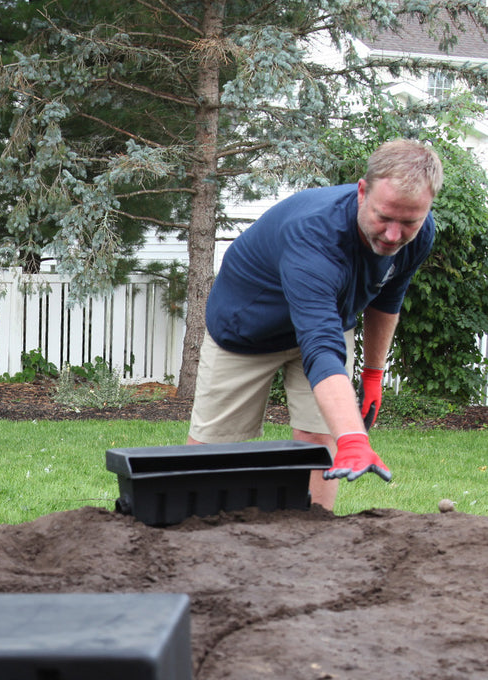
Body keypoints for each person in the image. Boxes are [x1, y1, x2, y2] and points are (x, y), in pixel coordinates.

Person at [187, 138, 443, 510]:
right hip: (248, 328)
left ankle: (316, 538)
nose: (393, 235)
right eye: (384, 217)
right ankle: (195, 539)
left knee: (319, 437)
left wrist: (373, 375)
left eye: (409, 222)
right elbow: (321, 349)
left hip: (328, 320)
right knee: (216, 447)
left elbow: (388, 296)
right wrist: (355, 441)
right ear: (361, 192)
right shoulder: (315, 236)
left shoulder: (416, 233)